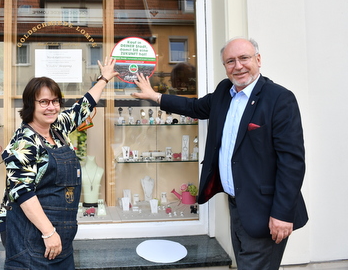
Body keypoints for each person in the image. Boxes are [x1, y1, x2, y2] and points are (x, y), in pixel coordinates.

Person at [131, 37, 308, 270]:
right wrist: (155, 96)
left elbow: (292, 163)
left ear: (258, 59)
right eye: (230, 61)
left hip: (267, 210)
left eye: (244, 58)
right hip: (237, 205)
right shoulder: (225, 92)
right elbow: (194, 107)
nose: (238, 66)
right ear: (225, 66)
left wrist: (283, 214)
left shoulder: (279, 99)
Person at [0, 57, 118, 270]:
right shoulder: (24, 142)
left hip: (59, 236)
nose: (51, 107)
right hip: (32, 234)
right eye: (43, 102)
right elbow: (23, 193)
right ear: (30, 105)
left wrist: (104, 79)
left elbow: (83, 107)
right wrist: (49, 232)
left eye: (55, 101)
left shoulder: (58, 129)